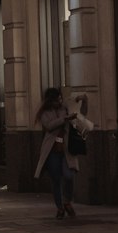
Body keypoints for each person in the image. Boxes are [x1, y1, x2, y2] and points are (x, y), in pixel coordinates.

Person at [34, 87, 88, 219]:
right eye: (57, 99)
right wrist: (64, 119)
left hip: (66, 149)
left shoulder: (65, 108)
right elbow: (49, 125)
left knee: (69, 175)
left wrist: (84, 101)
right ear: (50, 100)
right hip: (52, 151)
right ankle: (60, 207)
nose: (60, 101)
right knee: (56, 179)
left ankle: (67, 201)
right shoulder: (44, 113)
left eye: (60, 98)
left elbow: (82, 115)